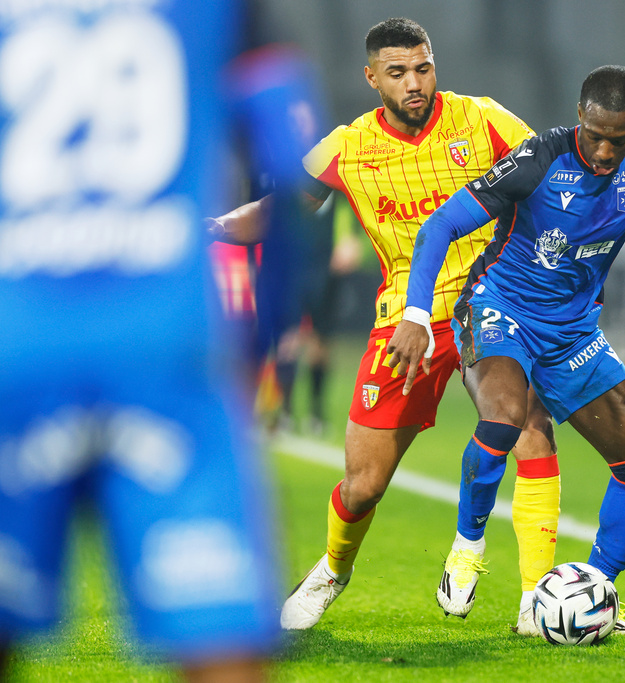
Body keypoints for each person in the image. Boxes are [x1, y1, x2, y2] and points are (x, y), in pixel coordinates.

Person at [214, 18, 562, 636]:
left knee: (529, 425)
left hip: (491, 304)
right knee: (363, 484)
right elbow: (280, 210)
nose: (414, 83)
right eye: (398, 72)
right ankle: (332, 572)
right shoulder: (346, 147)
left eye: (423, 68)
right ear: (371, 77)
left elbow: (553, 176)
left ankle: (536, 598)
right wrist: (206, 227)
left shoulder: (482, 120)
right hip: (404, 319)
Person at [0, 1, 300, 680]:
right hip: (164, 338)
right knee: (220, 643)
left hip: (12, 336)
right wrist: (256, 346)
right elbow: (291, 163)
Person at [387, 65, 625, 636]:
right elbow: (439, 227)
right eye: (595, 134)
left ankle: (591, 595)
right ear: (580, 116)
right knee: (503, 419)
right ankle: (467, 545)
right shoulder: (538, 159)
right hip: (499, 307)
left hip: (571, 331)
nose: (603, 150)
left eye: (617, 139)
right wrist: (418, 316)